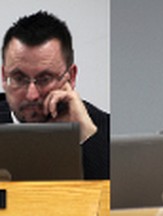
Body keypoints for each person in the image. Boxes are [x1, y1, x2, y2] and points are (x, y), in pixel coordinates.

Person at [0, 11, 109, 180]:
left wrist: (86, 135)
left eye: (44, 79)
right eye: (19, 78)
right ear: (3, 76)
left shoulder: (104, 131)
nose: (32, 95)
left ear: (71, 76)